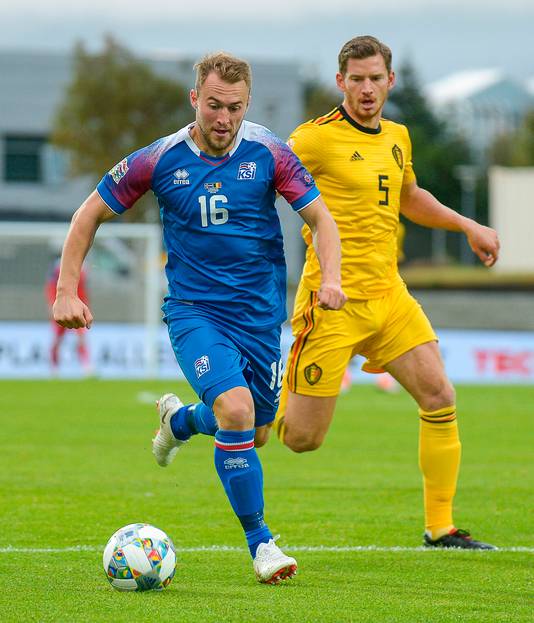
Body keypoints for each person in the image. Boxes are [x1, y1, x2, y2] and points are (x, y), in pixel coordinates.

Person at [53, 52, 346, 583]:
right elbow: (88, 214)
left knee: (253, 432)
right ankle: (262, 545)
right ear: (195, 99)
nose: (223, 118)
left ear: (246, 105)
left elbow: (322, 220)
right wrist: (67, 291)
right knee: (235, 410)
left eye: (233, 108)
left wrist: (331, 279)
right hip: (195, 313)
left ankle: (180, 421)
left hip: (259, 318)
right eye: (213, 105)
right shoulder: (159, 159)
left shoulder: (270, 151)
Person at [272, 36, 500, 550]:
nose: (367, 88)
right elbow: (265, 186)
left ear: (390, 81)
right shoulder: (311, 139)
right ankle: (267, 396)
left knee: (440, 395)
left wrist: (467, 225)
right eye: (357, 79)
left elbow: (408, 197)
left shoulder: (397, 135)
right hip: (329, 302)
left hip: (389, 297)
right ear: (341, 82)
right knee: (301, 440)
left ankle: (440, 528)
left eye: (376, 78)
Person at [45, 257, 92, 375]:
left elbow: (83, 292)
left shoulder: (80, 274)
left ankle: (86, 366)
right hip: (61, 309)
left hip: (77, 310)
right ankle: (54, 367)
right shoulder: (56, 275)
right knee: (57, 340)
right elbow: (50, 290)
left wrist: (85, 305)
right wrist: (52, 305)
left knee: (81, 338)